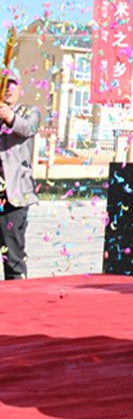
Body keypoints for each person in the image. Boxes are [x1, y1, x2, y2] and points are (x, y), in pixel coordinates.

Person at [0, 68, 41, 280]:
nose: (8, 88)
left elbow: (28, 128)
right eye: (4, 83)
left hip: (14, 196)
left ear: (19, 88)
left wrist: (10, 117)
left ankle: (15, 296)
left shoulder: (28, 111)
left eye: (12, 83)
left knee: (13, 258)